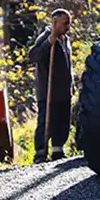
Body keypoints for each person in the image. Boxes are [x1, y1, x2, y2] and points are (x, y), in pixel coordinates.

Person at [28, 9, 73, 163]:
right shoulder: (46, 37)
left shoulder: (66, 40)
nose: (68, 26)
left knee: (62, 122)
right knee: (46, 121)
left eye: (69, 23)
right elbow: (33, 56)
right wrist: (49, 42)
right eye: (65, 23)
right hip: (49, 92)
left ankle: (57, 150)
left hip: (63, 91)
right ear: (55, 22)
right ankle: (40, 152)